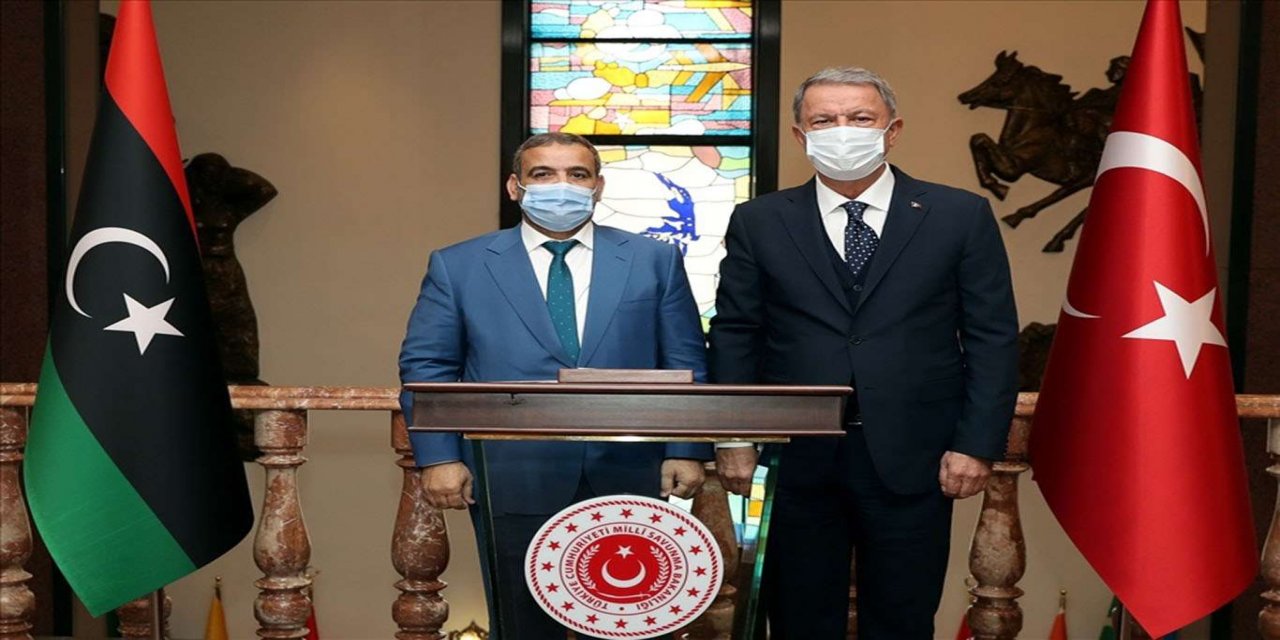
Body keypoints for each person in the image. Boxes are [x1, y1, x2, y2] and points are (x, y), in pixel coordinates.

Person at [708, 68, 1019, 639]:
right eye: (824, 120)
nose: (842, 131)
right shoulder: (760, 220)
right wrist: (734, 438)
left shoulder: (959, 214)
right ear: (801, 135)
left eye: (859, 118)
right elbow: (735, 333)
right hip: (795, 456)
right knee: (798, 620)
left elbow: (991, 336)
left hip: (917, 456)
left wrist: (975, 444)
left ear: (891, 130)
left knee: (903, 620)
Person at [398, 132, 711, 639]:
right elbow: (426, 366)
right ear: (515, 187)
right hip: (510, 470)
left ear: (598, 187)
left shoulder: (653, 260)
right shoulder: (459, 265)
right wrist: (438, 457)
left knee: (627, 623)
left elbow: (685, 359)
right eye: (543, 174)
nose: (560, 186)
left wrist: (686, 448)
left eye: (577, 174)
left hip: (630, 467)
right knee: (521, 624)